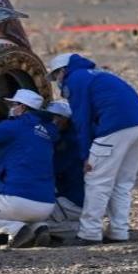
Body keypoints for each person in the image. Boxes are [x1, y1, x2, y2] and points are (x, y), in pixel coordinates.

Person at [46, 52, 138, 245]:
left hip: (114, 128)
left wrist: (85, 154)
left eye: (55, 76)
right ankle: (119, 231)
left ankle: (89, 233)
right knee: (122, 183)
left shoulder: (75, 80)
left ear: (63, 71)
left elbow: (81, 119)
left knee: (97, 181)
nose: (56, 82)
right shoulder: (98, 74)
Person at [0, 89, 58, 248]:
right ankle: (39, 228)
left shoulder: (16, 126)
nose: (11, 107)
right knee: (21, 211)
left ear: (22, 107)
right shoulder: (48, 132)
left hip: (18, 201)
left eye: (14, 104)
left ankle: (17, 230)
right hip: (47, 205)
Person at [44, 100, 83, 238]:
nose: (52, 121)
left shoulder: (69, 143)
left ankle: (78, 229)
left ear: (64, 119)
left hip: (74, 202)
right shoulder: (75, 137)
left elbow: (53, 169)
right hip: (78, 201)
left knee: (34, 216)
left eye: (55, 117)